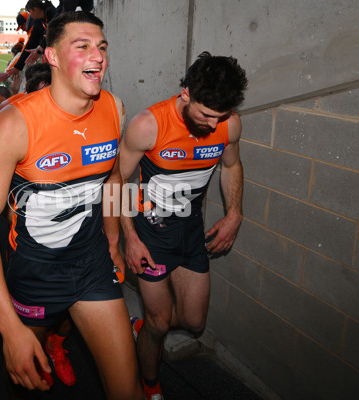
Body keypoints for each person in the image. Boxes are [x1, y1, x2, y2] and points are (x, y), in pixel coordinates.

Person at [0, 11, 142, 399]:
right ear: (52, 57)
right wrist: (8, 328)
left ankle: (57, 342)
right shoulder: (15, 124)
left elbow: (112, 177)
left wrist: (113, 242)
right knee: (27, 378)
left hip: (92, 263)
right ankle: (40, 340)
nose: (97, 56)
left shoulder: (114, 109)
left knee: (127, 392)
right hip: (35, 271)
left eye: (102, 47)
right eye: (82, 47)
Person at [118, 51, 248, 400]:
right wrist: (128, 237)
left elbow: (232, 166)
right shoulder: (149, 124)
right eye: (206, 114)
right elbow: (115, 180)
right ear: (185, 93)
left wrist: (234, 213)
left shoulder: (228, 124)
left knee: (193, 322)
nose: (211, 124)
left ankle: (143, 328)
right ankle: (150, 384)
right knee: (161, 324)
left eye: (219, 117)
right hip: (150, 232)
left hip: (190, 230)